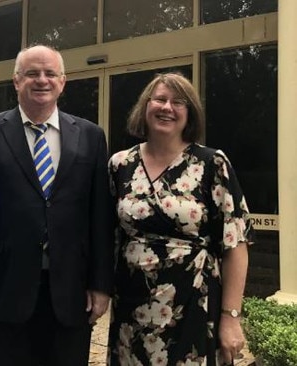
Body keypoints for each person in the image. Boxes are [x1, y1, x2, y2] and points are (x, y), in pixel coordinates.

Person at [0, 44, 114, 365]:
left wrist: (101, 285)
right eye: (32, 73)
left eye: (49, 73)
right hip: (5, 287)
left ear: (62, 81)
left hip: (72, 291)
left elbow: (99, 217)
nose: (41, 80)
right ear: (16, 81)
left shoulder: (90, 136)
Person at [107, 72, 253, 365]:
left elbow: (235, 243)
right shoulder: (120, 164)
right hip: (131, 307)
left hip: (194, 304)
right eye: (159, 99)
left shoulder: (212, 164)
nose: (167, 107)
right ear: (145, 107)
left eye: (178, 102)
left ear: (191, 113)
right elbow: (107, 236)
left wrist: (231, 317)